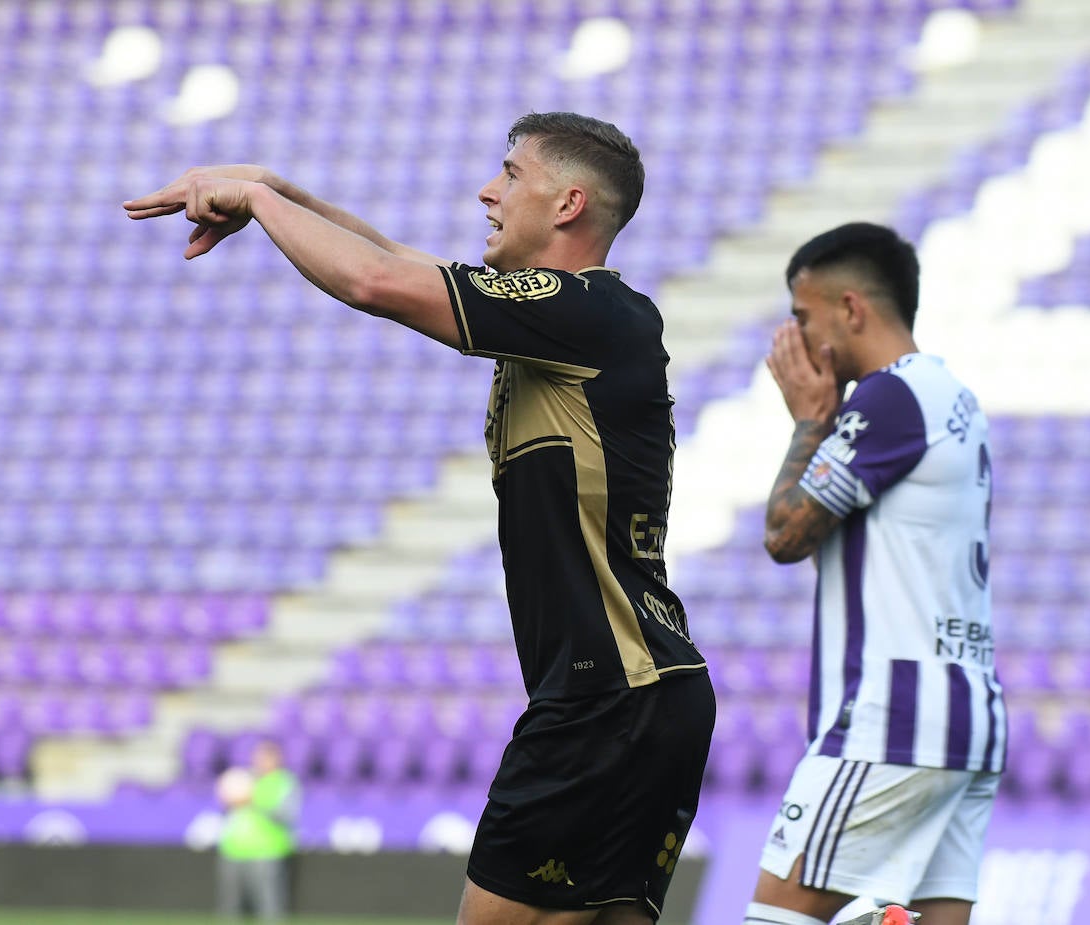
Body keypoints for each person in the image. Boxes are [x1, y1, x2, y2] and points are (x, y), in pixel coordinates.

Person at [124, 112, 714, 925]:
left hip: (604, 695)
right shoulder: (559, 322)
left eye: (512, 174)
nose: (488, 191)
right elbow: (396, 260)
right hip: (645, 688)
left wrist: (259, 201)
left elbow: (376, 283)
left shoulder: (589, 314)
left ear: (569, 203)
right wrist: (283, 191)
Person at [745, 223, 1006, 925]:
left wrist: (808, 421)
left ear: (851, 309)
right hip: (967, 712)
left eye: (803, 317)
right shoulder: (953, 396)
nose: (794, 339)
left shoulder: (889, 398)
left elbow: (785, 531)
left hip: (892, 718)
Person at [217, 739, 301, 922]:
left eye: (265, 757)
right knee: (230, 907)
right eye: (258, 756)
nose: (260, 761)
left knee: (268, 906)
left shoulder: (283, 782)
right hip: (234, 851)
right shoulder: (245, 778)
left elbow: (285, 815)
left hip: (266, 852)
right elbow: (226, 811)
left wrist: (252, 800)